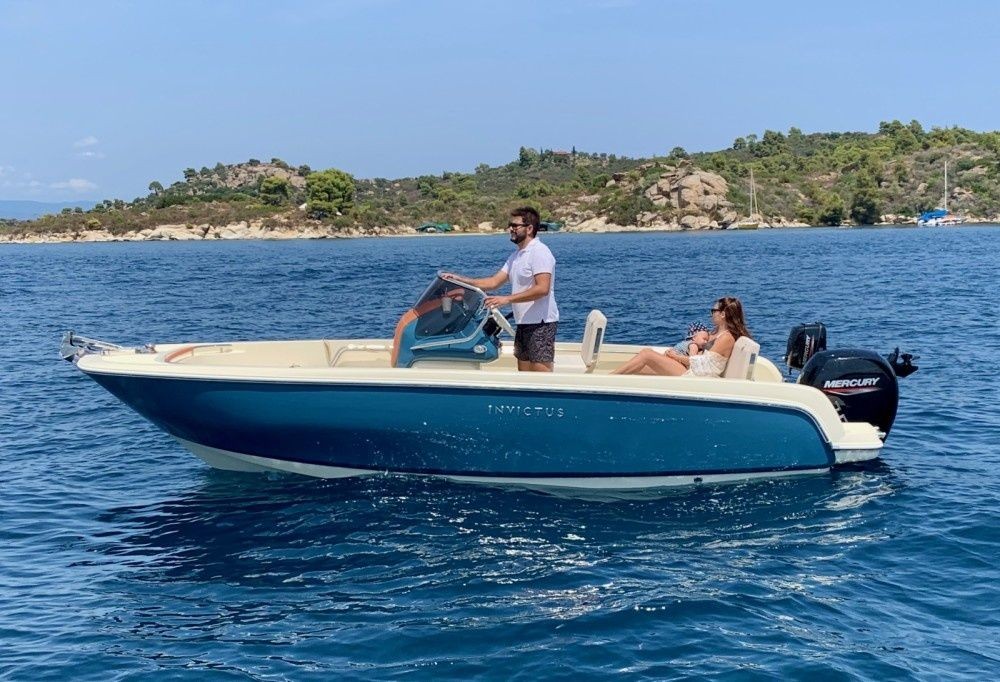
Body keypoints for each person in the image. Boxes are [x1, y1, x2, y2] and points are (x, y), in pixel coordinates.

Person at [442, 207, 559, 372]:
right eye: (510, 225)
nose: (511, 229)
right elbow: (494, 282)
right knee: (524, 376)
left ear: (529, 228)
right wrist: (460, 280)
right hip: (523, 323)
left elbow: (542, 289)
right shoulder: (516, 256)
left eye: (515, 225)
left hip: (541, 324)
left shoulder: (540, 252)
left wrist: (506, 299)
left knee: (541, 376)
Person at [611, 297, 751, 377]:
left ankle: (609, 379)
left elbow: (703, 365)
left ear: (723, 314)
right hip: (693, 369)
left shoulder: (727, 338)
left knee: (646, 354)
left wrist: (675, 357)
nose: (711, 314)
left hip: (697, 376)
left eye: (713, 310)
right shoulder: (716, 332)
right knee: (639, 367)